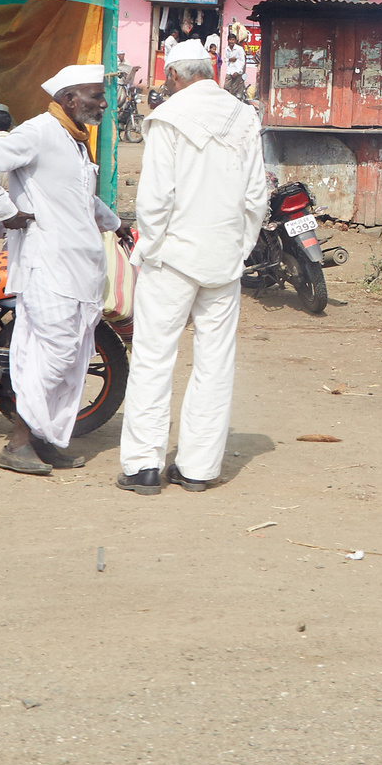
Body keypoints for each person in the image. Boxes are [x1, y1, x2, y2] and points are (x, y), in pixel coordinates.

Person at [119, 40, 268, 495]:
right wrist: (237, 250)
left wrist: (150, 248)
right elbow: (255, 197)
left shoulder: (167, 118)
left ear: (174, 77)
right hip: (223, 258)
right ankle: (199, 468)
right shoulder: (245, 117)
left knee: (152, 357)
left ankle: (144, 466)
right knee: (215, 362)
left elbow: (155, 199)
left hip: (172, 257)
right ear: (209, 70)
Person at [0, 66, 123, 476]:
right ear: (70, 99)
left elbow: (79, 199)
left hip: (81, 267)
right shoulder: (39, 132)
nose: (103, 103)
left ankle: (45, 440)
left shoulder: (75, 140)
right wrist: (6, 212)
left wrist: (117, 225)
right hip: (48, 266)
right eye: (94, 96)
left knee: (73, 359)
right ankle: (18, 442)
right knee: (51, 356)